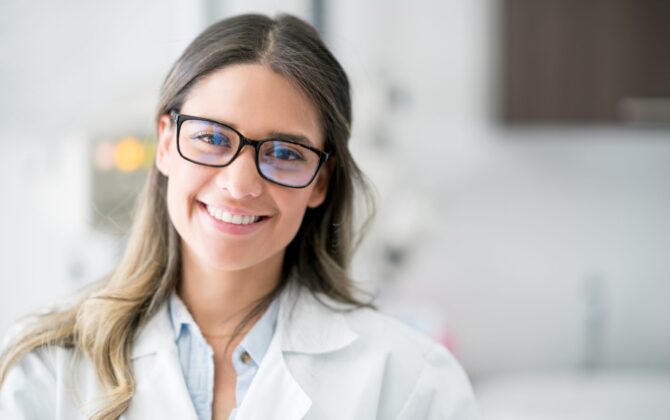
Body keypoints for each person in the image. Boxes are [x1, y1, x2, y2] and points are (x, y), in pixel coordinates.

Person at [0, 13, 478, 420]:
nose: (240, 183)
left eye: (285, 153)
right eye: (212, 139)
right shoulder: (48, 368)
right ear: (165, 143)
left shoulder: (409, 382)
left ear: (322, 182)